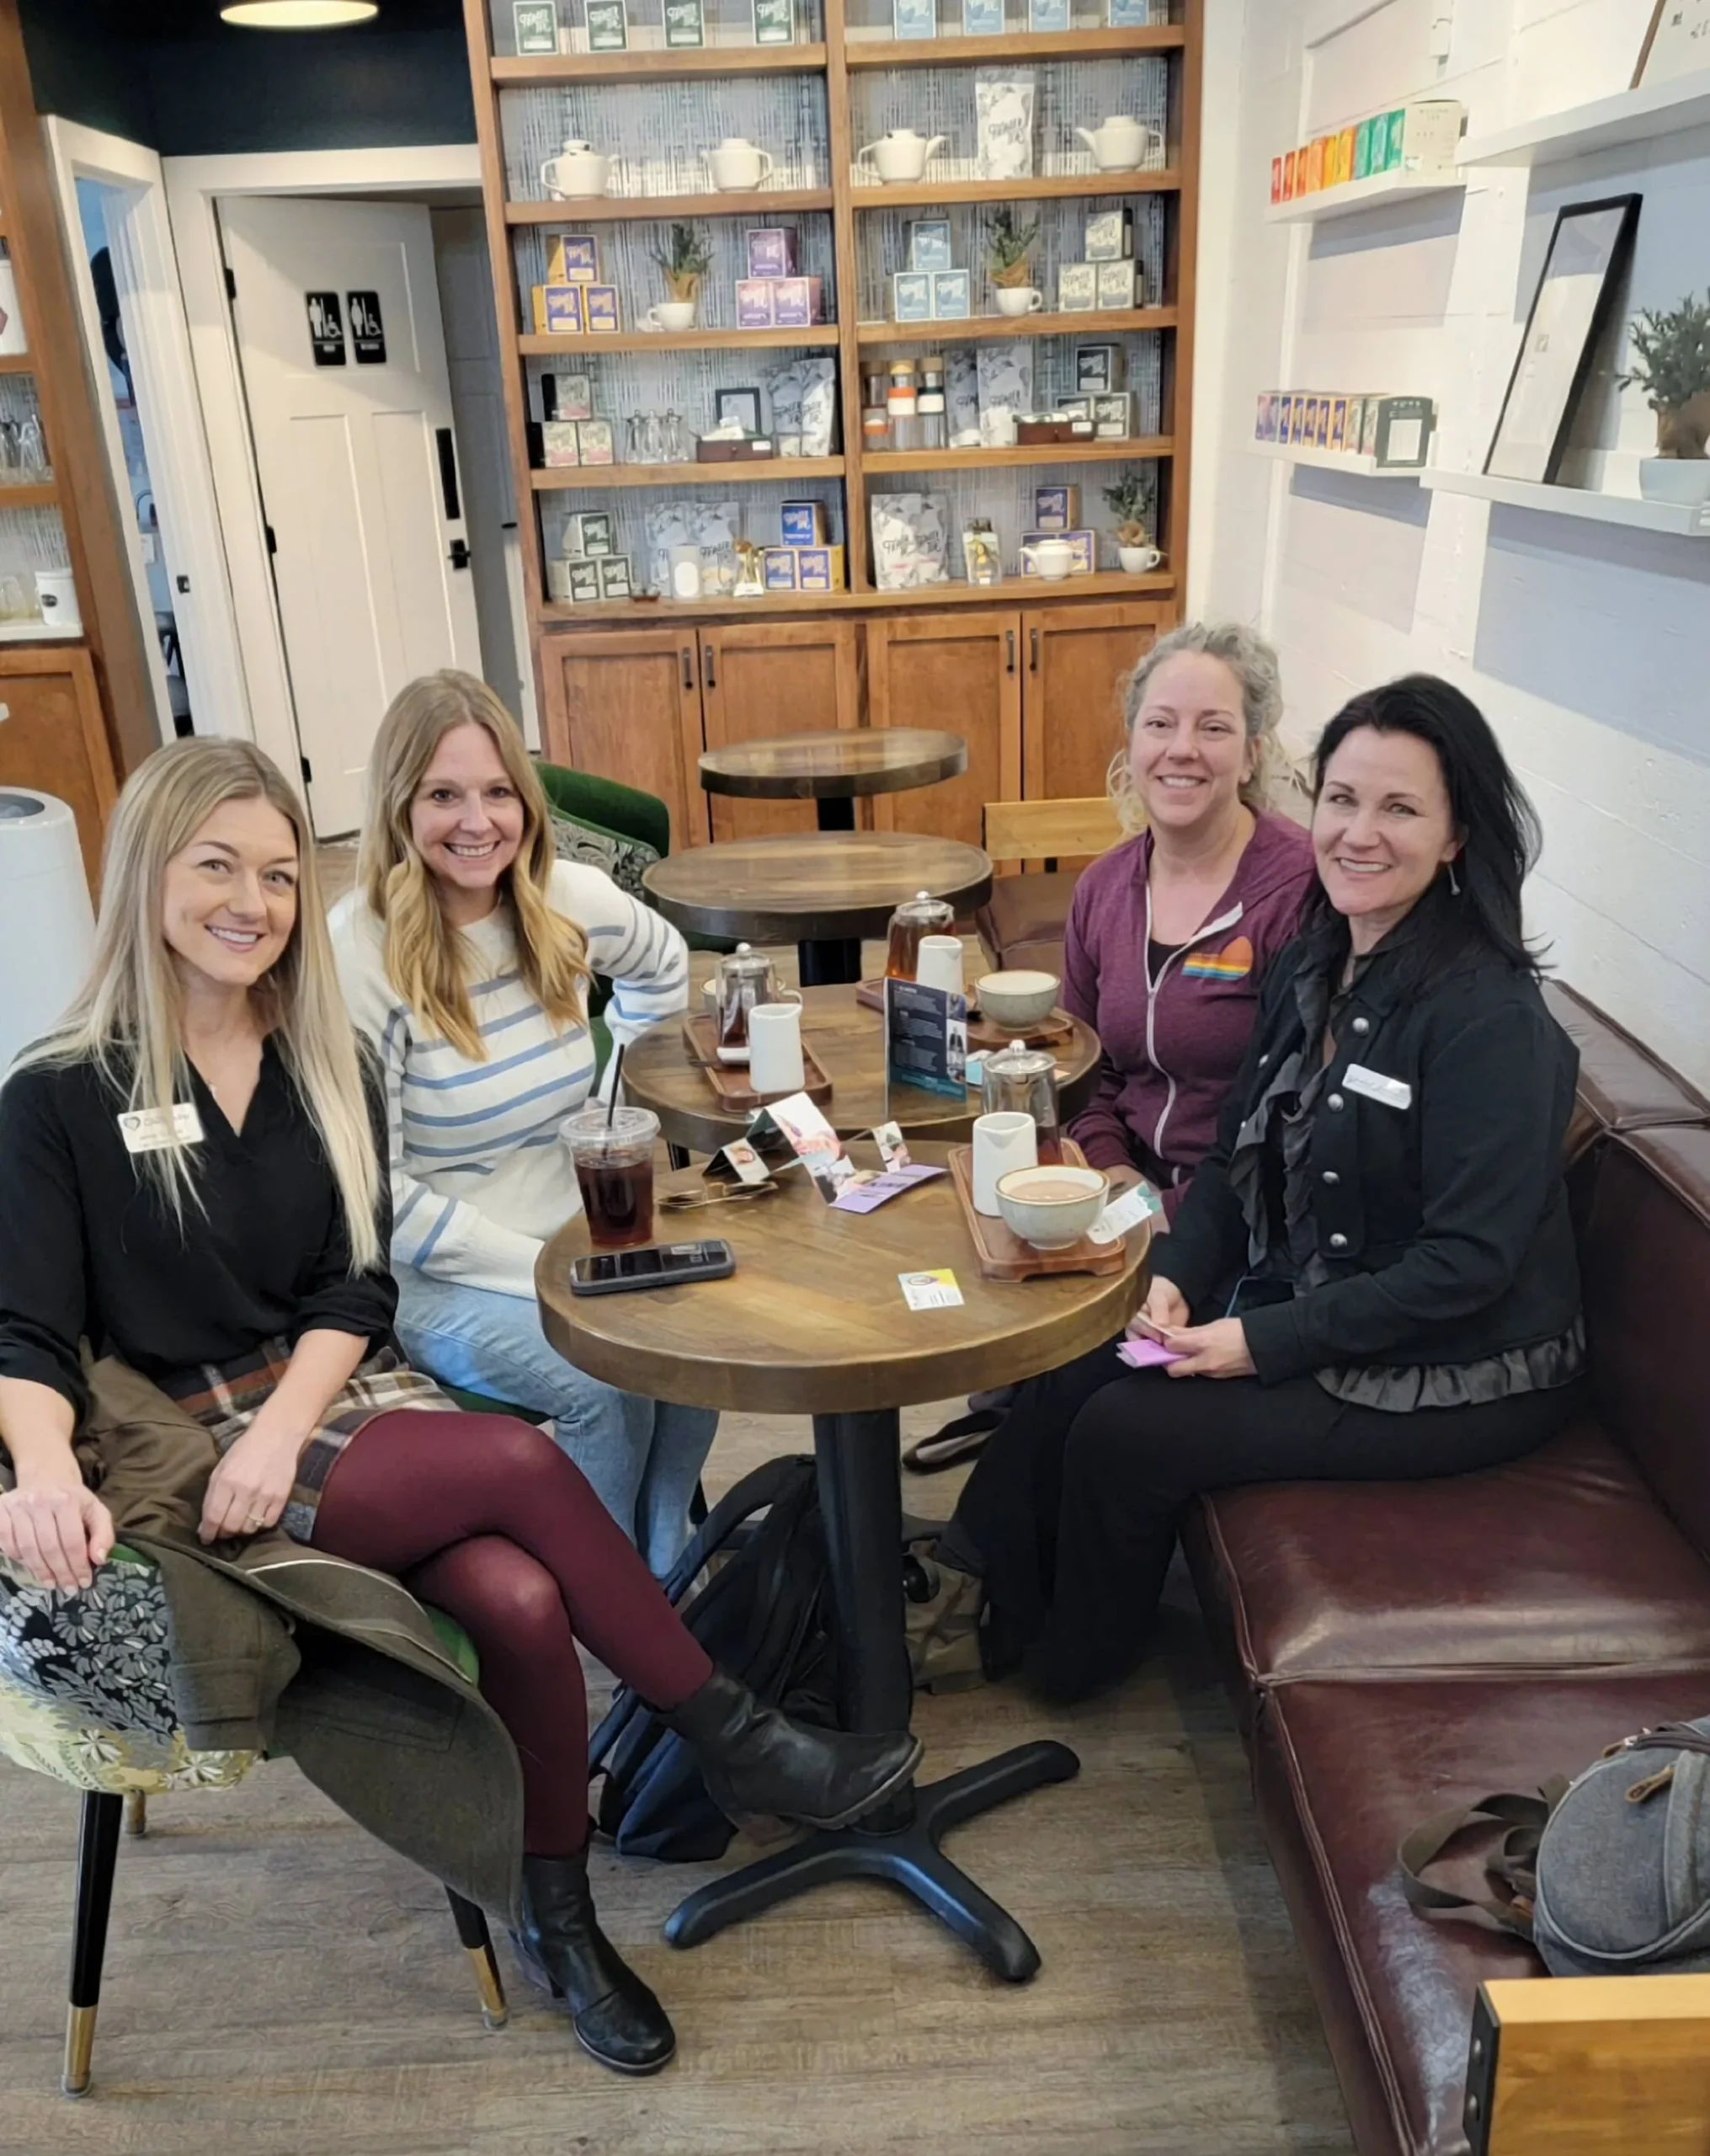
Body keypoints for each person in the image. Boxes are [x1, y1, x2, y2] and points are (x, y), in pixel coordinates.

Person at [0, 738, 919, 2077]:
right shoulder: (57, 1096)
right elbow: (22, 1331)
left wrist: (282, 1427)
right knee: (515, 1464)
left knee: (525, 1600)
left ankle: (558, 1919)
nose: (250, 902)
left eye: (273, 872)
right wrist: (35, 1468)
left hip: (315, 1395)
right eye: (215, 867)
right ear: (145, 874)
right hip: (168, 1437)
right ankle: (728, 1733)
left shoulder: (317, 1060)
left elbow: (352, 1291)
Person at [937, 675, 1585, 1700]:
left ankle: (1063, 1670)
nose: (1358, 833)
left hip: (1465, 1366)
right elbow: (1244, 1153)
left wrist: (1261, 1341)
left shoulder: (1489, 1018)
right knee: (1085, 1349)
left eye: (1401, 808)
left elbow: (1469, 1267)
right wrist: (1178, 1277)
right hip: (1332, 1303)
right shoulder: (1317, 959)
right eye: (1341, 799)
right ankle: (978, 1593)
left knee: (1126, 1429)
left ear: (1458, 838)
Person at [330, 671, 716, 1575]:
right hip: (440, 1271)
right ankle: (612, 1596)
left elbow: (662, 962)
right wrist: (550, 1273)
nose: (478, 821)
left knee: (692, 1332)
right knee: (599, 1383)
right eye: (443, 795)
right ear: (398, 806)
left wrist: (613, 1107)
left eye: (499, 792)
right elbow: (380, 1199)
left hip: (575, 1227)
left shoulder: (560, 899)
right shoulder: (360, 952)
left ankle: (665, 1564)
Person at [914, 622, 1315, 1476]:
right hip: (1125, 1185)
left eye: (1214, 727)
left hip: (1238, 1215)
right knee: (978, 1251)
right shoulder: (1105, 889)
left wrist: (1168, 1214)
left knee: (1094, 1359)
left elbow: (1291, 1122)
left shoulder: (1296, 893)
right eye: (1160, 723)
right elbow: (1086, 1070)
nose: (1183, 750)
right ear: (1131, 744)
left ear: (1251, 754)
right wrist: (1112, 1173)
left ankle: (969, 1570)